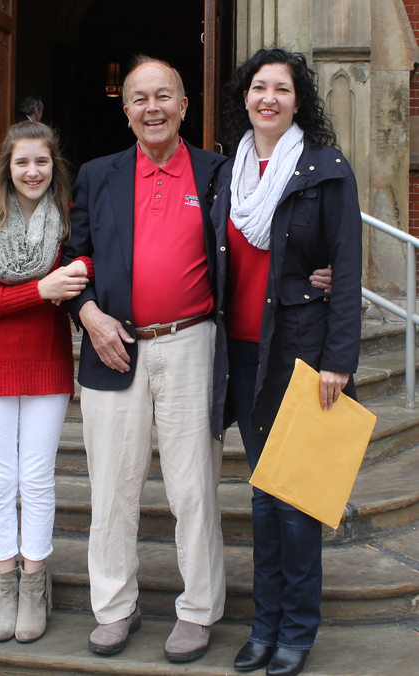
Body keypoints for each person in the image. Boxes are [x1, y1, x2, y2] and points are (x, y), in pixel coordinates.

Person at [61, 55, 230, 663]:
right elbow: (73, 261)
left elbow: (262, 238)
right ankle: (114, 606)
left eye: (164, 96)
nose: (152, 108)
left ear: (185, 106)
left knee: (194, 488)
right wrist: (87, 314)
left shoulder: (219, 173)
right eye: (140, 98)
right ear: (126, 109)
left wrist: (316, 270)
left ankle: (199, 608)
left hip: (192, 344)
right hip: (113, 343)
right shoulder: (99, 175)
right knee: (111, 487)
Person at [212, 49, 362, 676]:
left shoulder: (325, 168)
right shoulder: (227, 173)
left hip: (301, 352)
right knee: (262, 495)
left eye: (281, 88)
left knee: (293, 499)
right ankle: (265, 624)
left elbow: (346, 268)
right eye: (257, 87)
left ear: (300, 99)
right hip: (242, 355)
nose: (267, 98)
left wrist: (339, 359)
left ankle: (295, 629)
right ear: (244, 97)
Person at [0, 121, 91, 644]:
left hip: (47, 365)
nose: (32, 172)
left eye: (41, 162)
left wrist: (77, 270)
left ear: (52, 166)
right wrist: (42, 289)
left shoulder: (67, 223)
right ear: (7, 168)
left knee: (36, 478)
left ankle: (34, 582)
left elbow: (91, 260)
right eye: (21, 162)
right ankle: (4, 580)